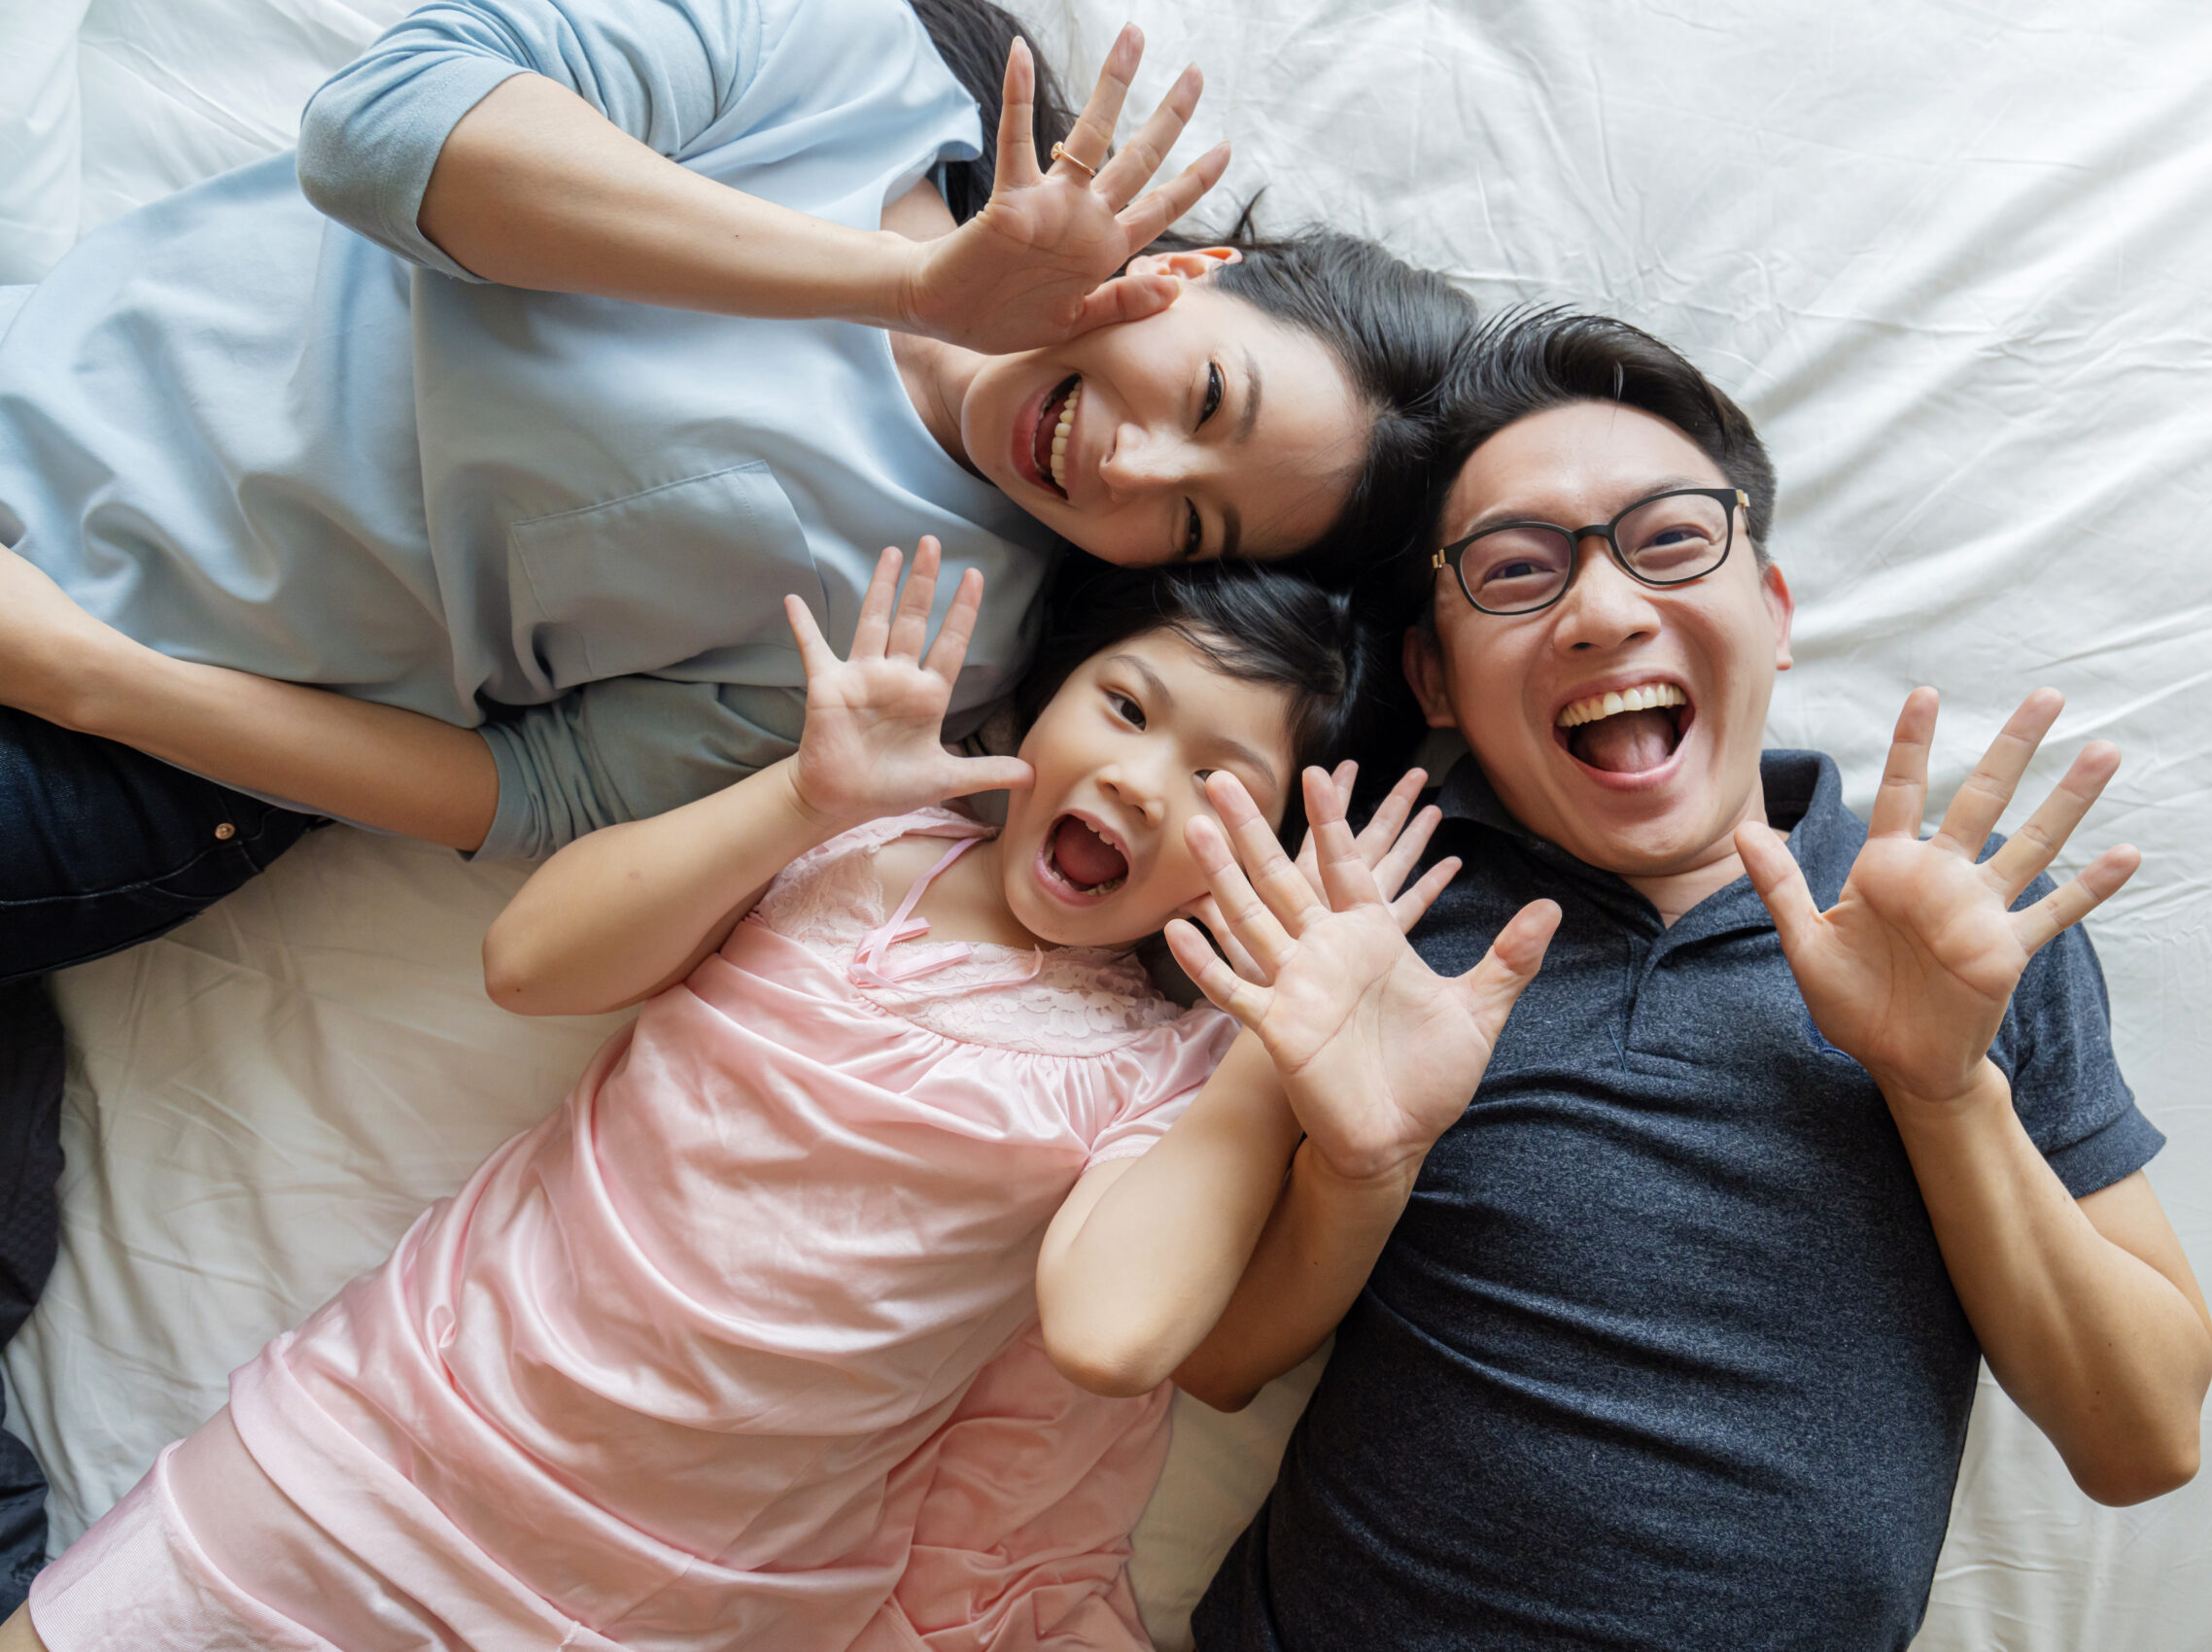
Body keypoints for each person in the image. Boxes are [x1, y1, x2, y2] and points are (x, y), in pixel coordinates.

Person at [0, 0, 1475, 1592]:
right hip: (51, 412)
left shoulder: (940, 638)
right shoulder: (846, 61)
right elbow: (381, 133)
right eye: (1206, 401)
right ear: (1190, 271)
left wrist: (93, 679)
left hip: (137, 741)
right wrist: (907, 288)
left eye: (1192, 528)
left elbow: (532, 796)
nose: (1134, 470)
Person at [0, 537, 1460, 1651]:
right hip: (375, 1451)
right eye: (1125, 707)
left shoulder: (1172, 1072)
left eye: (1221, 787)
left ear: (1274, 860)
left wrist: (1274, 1037)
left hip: (679, 1600)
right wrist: (807, 798)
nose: (1140, 780)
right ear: (1051, 692)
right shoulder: (858, 849)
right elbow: (530, 963)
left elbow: (1117, 1337)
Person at [1155, 308, 2212, 1649]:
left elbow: (2143, 1442)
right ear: (1434, 676)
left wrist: (1944, 1090)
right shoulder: (1388, 916)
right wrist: (1357, 1170)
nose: (1605, 613)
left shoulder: (1970, 922)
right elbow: (1215, 1363)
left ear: (1771, 615)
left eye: (1668, 543)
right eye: (1516, 570)